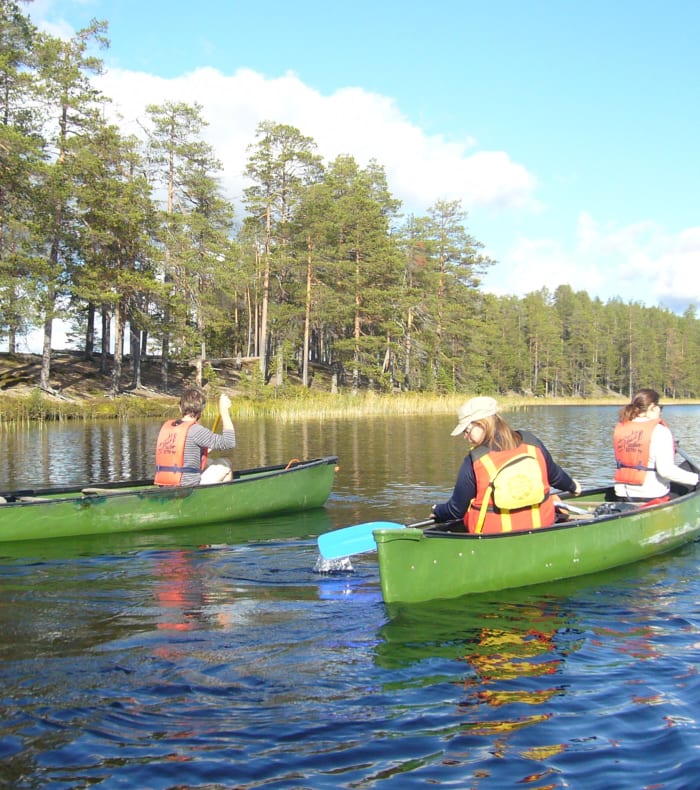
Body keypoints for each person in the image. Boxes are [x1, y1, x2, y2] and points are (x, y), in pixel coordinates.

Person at [430, 396, 581, 534]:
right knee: (553, 498)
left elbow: (456, 510)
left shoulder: (473, 461)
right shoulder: (532, 443)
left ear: (481, 424)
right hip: (541, 526)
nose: (465, 437)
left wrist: (438, 510)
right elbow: (555, 476)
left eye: (467, 430)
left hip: (492, 535)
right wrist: (573, 487)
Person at [613, 388, 698, 502]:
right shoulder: (660, 431)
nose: (660, 411)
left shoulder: (622, 427)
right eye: (660, 407)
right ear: (652, 407)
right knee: (694, 469)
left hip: (621, 494)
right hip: (651, 495)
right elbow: (665, 471)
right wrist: (697, 479)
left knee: (688, 466)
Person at [154, 387, 236, 487]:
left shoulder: (168, 428)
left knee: (209, 462)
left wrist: (203, 450)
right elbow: (229, 442)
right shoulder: (196, 430)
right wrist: (224, 411)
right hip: (187, 486)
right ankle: (222, 500)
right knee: (225, 463)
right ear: (201, 411)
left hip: (165, 484)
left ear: (180, 407)